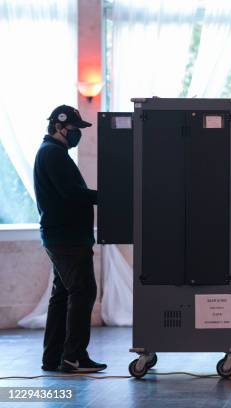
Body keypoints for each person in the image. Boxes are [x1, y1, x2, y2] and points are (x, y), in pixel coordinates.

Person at [34, 105, 107, 373]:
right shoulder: (53, 154)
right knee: (83, 291)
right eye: (75, 129)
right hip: (67, 239)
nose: (78, 135)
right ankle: (73, 357)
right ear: (59, 127)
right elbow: (73, 194)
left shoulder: (52, 153)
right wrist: (108, 195)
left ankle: (52, 357)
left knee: (63, 295)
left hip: (60, 236)